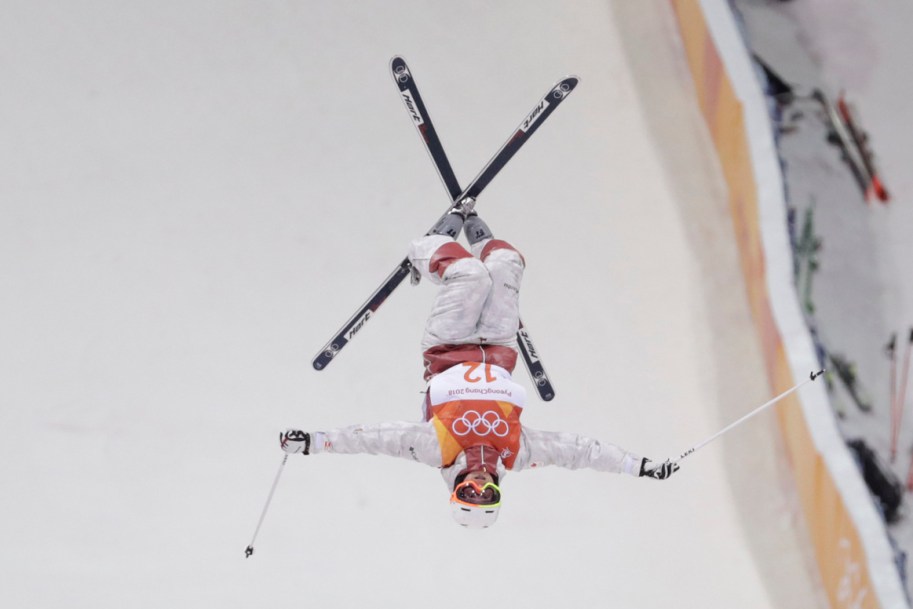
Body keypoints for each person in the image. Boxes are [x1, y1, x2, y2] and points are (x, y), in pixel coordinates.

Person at [281, 198, 679, 528]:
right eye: (488, 496)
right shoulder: (517, 452)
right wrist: (637, 466)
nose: (479, 486)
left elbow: (371, 438)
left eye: (468, 494)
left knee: (471, 277)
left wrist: (313, 443)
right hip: (500, 347)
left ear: (454, 490)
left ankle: (428, 247)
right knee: (508, 265)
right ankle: (476, 227)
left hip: (448, 346)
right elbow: (580, 452)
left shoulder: (433, 448)